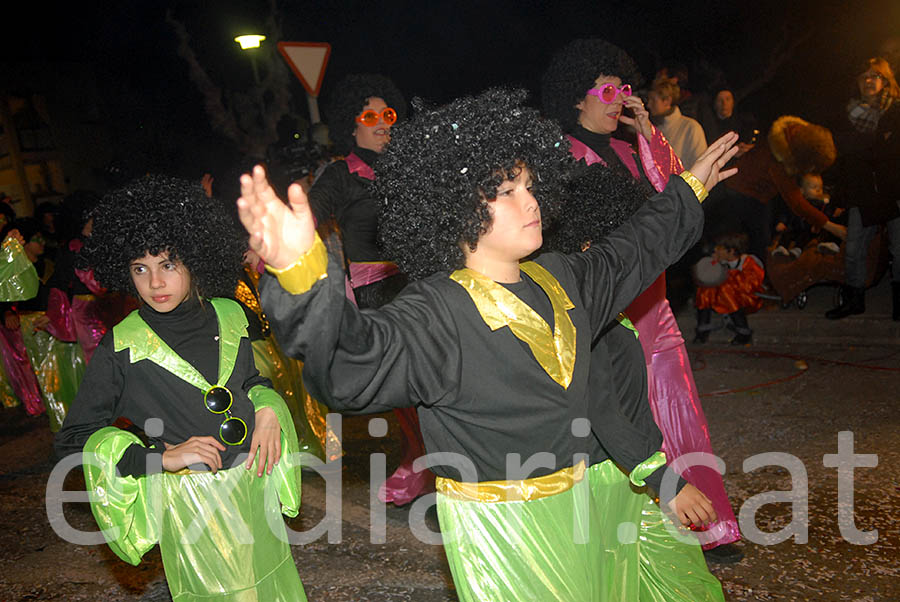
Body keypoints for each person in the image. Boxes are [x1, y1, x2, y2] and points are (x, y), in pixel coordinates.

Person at [239, 87, 736, 600]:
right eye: (505, 191)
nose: (531, 200)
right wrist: (301, 271)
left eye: (529, 184)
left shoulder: (562, 277)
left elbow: (632, 249)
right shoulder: (438, 311)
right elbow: (350, 366)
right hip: (505, 534)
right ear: (455, 208)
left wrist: (689, 188)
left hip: (587, 506)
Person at [54, 176, 306, 601]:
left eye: (167, 264)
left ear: (194, 260)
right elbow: (73, 440)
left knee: (274, 588)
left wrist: (266, 409)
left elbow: (251, 382)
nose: (155, 283)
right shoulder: (123, 348)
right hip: (193, 510)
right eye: (140, 269)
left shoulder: (231, 315)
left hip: (254, 488)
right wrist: (161, 458)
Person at [541, 37, 743, 563]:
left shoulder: (635, 148)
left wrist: (648, 130)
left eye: (624, 89)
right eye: (606, 90)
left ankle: (707, 525)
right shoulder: (559, 156)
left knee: (682, 414)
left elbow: (673, 192)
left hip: (655, 307)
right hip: (609, 309)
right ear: (576, 97)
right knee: (623, 419)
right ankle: (647, 528)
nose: (617, 100)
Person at [309, 73, 431, 505]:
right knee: (412, 394)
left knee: (435, 387)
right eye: (370, 115)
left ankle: (435, 465)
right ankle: (422, 463)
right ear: (352, 124)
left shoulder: (411, 170)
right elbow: (309, 216)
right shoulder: (341, 175)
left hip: (420, 288)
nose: (382, 123)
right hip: (378, 299)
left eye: (389, 115)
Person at [705, 115, 844, 261]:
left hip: (741, 193)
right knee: (754, 245)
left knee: (753, 241)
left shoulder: (786, 136)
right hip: (740, 196)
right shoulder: (779, 161)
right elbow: (796, 202)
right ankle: (748, 277)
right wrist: (831, 227)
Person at [826, 57, 900, 320]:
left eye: (875, 76)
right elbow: (843, 153)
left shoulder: (895, 111)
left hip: (894, 189)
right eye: (864, 76)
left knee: (899, 250)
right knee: (854, 249)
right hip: (862, 190)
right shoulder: (847, 113)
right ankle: (854, 300)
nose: (869, 81)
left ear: (885, 80)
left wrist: (868, 145)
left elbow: (887, 151)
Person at [694, 232, 765, 345]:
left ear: (731, 251)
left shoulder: (748, 262)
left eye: (719, 248)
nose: (715, 250)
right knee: (705, 289)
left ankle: (743, 331)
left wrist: (729, 276)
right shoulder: (720, 262)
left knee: (727, 289)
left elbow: (749, 284)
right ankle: (702, 329)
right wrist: (713, 264)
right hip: (725, 298)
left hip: (746, 297)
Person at [648, 76, 708, 168]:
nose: (648, 104)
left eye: (653, 100)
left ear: (667, 101)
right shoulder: (650, 129)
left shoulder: (691, 128)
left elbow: (702, 168)